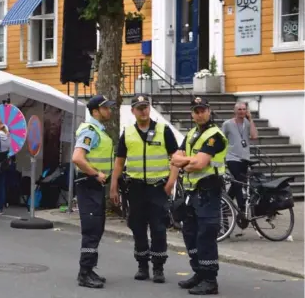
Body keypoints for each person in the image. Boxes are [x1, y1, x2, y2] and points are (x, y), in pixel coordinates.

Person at [109, 94, 180, 283]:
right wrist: (114, 185)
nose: (143, 110)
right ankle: (142, 265)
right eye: (139, 107)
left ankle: (158, 267)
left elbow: (177, 158)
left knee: (158, 227)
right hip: (136, 188)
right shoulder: (128, 132)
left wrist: (171, 182)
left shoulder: (163, 130)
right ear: (132, 111)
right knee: (138, 227)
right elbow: (119, 161)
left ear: (150, 109)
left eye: (145, 107)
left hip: (158, 188)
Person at [170, 97, 227, 295]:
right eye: (196, 111)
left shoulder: (214, 136)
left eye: (203, 110)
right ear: (192, 113)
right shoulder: (192, 133)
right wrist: (187, 160)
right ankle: (199, 273)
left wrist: (184, 161)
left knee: (205, 236)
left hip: (209, 192)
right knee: (190, 234)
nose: (200, 114)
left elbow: (200, 164)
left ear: (209, 111)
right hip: (192, 193)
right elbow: (174, 158)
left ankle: (210, 279)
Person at [72, 94, 116, 289]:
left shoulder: (100, 131)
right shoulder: (90, 131)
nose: (109, 111)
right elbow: (78, 158)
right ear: (96, 111)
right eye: (106, 108)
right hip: (89, 184)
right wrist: (96, 174)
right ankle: (84, 273)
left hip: (94, 186)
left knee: (96, 228)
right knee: (91, 229)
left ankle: (89, 269)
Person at [221, 102, 258, 213]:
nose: (242, 111)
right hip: (232, 157)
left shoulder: (247, 123)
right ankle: (241, 207)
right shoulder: (227, 124)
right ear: (235, 111)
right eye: (239, 109)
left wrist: (250, 119)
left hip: (244, 157)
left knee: (237, 182)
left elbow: (254, 136)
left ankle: (225, 206)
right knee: (237, 180)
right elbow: (222, 139)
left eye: (244, 109)